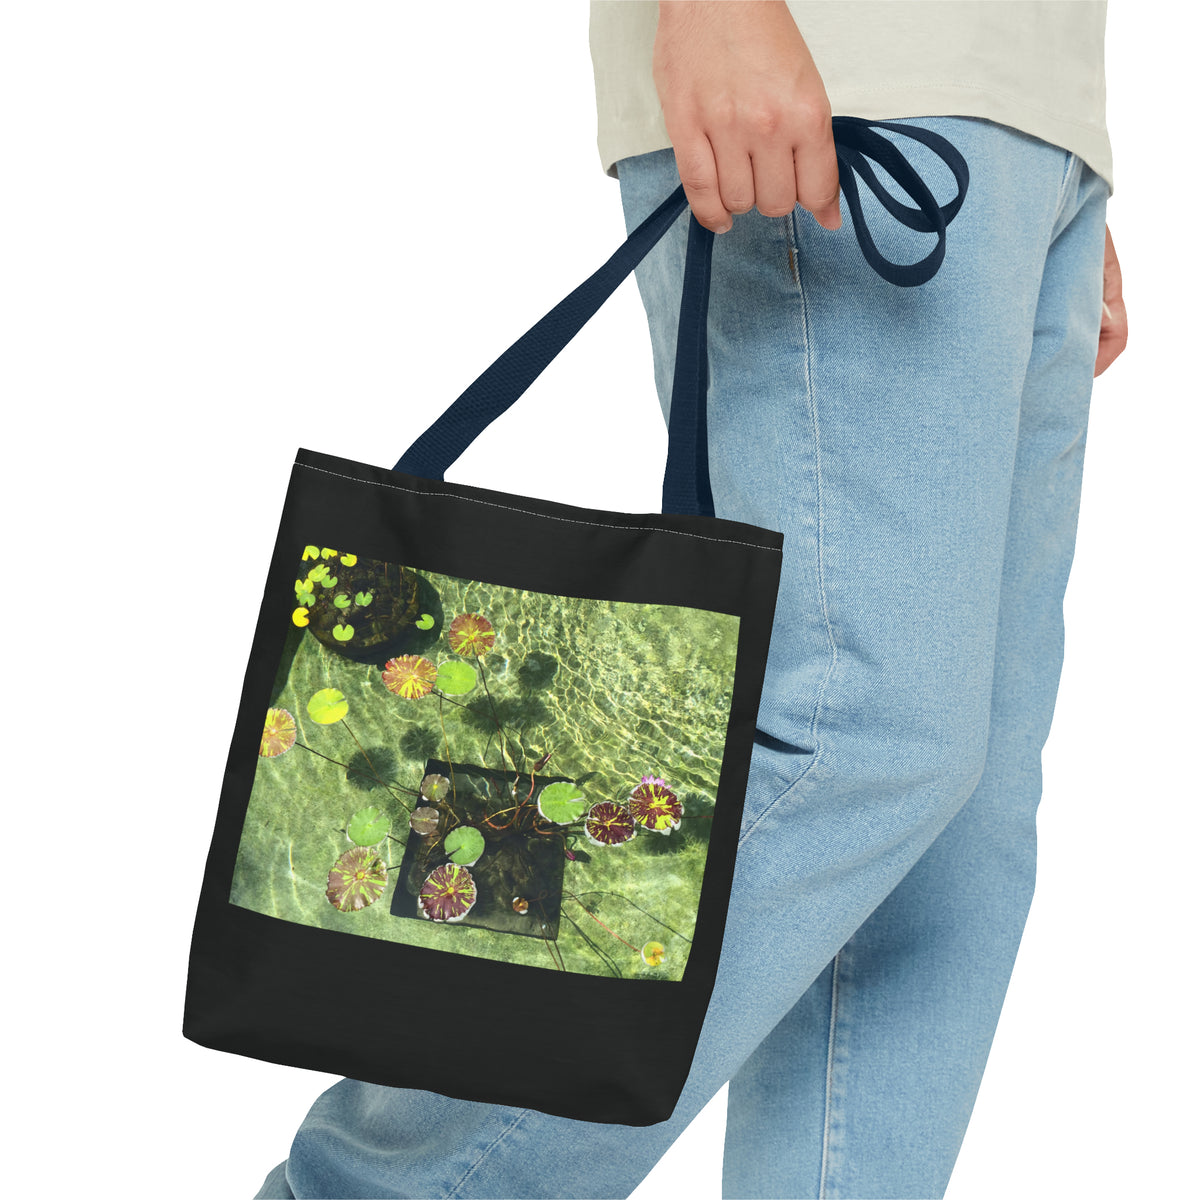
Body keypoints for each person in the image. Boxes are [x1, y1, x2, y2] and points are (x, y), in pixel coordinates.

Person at [254, 3, 1127, 1196]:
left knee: (951, 845)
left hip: (1017, 116)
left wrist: (1054, 147)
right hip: (844, 66)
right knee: (849, 739)